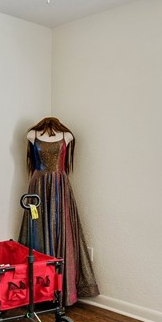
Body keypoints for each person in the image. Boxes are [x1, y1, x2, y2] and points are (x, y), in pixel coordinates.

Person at [18, 117, 98, 304]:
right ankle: (39, 291)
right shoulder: (32, 135)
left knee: (63, 231)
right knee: (37, 232)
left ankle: (61, 288)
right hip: (38, 186)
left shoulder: (67, 136)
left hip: (60, 188)